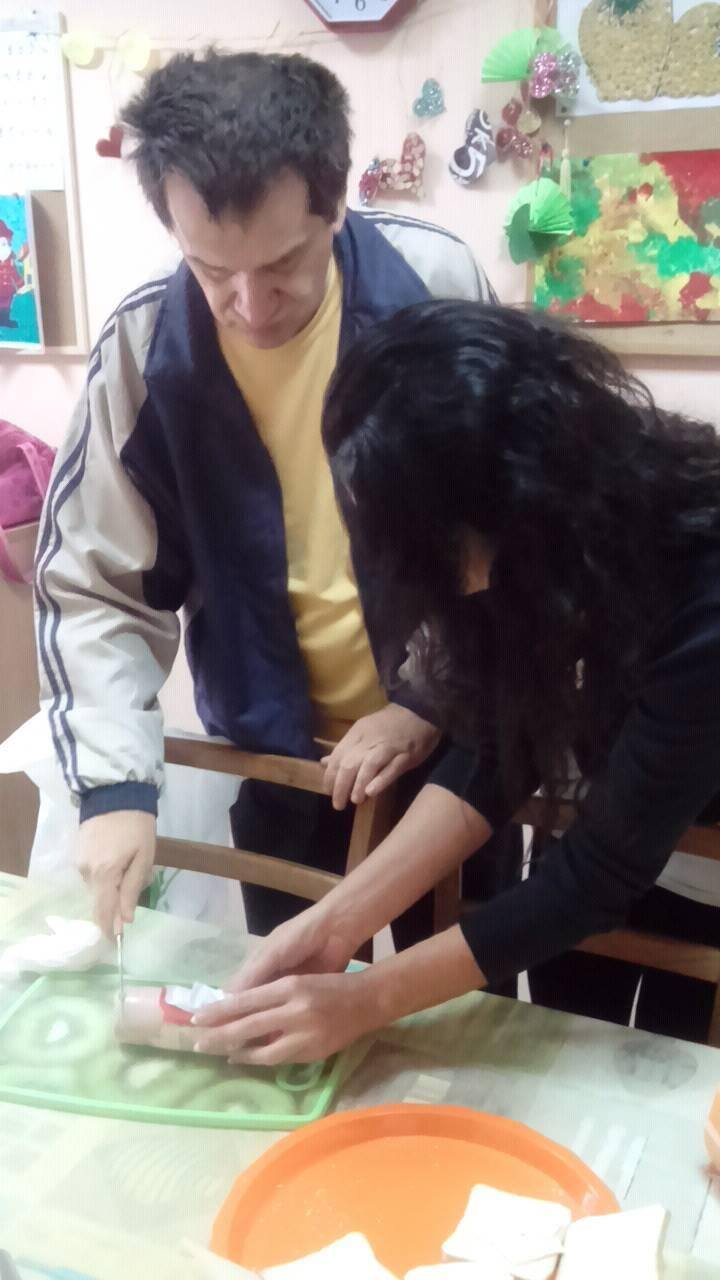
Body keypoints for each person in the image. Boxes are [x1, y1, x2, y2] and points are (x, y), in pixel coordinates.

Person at [34, 50, 520, 952]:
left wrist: (427, 699)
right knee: (290, 1001)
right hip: (280, 760)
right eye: (212, 270)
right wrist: (114, 790)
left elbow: (516, 529)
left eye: (284, 263)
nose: (251, 306)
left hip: (454, 751)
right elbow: (97, 586)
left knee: (448, 1009)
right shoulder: (148, 348)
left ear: (335, 206)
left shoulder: (431, 288)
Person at [192, 299, 720, 1065]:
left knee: (667, 1066)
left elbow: (599, 876)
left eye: (443, 550)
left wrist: (368, 998)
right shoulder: (539, 537)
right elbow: (497, 742)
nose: (454, 584)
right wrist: (335, 921)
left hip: (696, 872)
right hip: (601, 846)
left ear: (517, 497)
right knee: (556, 1036)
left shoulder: (698, 584)